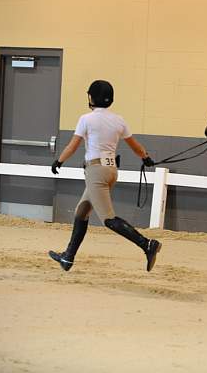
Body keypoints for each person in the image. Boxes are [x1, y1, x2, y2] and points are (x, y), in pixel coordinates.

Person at [49, 79, 160, 272]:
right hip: (111, 171)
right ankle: (68, 257)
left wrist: (59, 161)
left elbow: (73, 145)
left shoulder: (86, 119)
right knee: (81, 213)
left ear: (92, 97)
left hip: (95, 172)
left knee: (108, 219)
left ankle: (147, 244)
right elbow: (135, 146)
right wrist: (146, 158)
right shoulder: (119, 120)